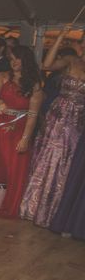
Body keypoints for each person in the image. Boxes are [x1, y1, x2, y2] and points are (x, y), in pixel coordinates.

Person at [20, 25, 85, 227]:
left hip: (78, 120)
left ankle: (56, 214)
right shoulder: (72, 61)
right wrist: (60, 38)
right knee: (49, 157)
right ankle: (35, 207)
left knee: (67, 162)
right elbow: (46, 64)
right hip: (58, 116)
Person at [0, 46, 42, 218]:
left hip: (18, 129)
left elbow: (33, 115)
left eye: (17, 59)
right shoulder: (2, 76)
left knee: (15, 168)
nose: (14, 63)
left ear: (26, 61)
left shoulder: (34, 84)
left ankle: (8, 206)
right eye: (11, 59)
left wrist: (26, 138)